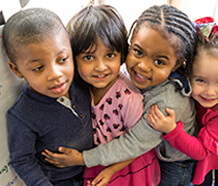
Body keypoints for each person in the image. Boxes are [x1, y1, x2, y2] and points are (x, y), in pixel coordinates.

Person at [42, 5, 197, 186]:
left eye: (159, 61)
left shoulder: (164, 105)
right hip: (140, 149)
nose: (143, 66)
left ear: (177, 65)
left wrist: (82, 159)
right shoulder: (115, 74)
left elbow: (134, 143)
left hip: (174, 161)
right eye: (138, 52)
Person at [57, 5, 161, 186]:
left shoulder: (128, 97)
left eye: (110, 55)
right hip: (99, 159)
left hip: (128, 164)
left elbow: (139, 144)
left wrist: (112, 170)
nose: (101, 67)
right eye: (89, 57)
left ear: (122, 55)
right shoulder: (81, 86)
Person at [147, 17, 218, 186]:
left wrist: (172, 130)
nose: (210, 92)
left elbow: (202, 151)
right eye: (201, 81)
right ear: (188, 72)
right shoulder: (187, 85)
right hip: (203, 143)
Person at [3, 8, 93, 186]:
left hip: (94, 167)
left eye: (62, 59)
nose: (55, 74)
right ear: (16, 70)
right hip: (59, 180)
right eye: (38, 68)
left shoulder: (82, 80)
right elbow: (22, 160)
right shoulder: (22, 115)